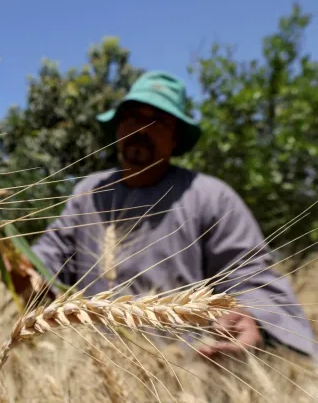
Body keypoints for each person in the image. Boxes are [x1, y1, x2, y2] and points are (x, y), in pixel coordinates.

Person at [20, 71, 316, 358]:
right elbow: (50, 256)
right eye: (133, 116)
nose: (141, 128)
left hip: (180, 371)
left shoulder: (211, 197)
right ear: (117, 127)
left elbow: (248, 274)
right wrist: (26, 270)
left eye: (157, 120)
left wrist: (248, 315)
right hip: (91, 366)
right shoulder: (89, 193)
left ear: (176, 138)